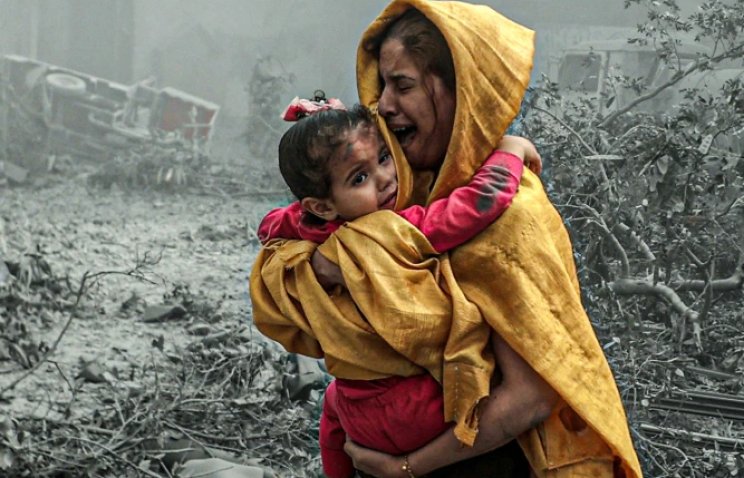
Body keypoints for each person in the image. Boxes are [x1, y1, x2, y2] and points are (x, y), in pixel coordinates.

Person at [251, 1, 643, 477]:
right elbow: (279, 301)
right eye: (384, 85)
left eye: (404, 85)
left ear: (463, 92)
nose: (385, 105)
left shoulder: (510, 216)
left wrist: (407, 467)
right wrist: (324, 264)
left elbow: (531, 397)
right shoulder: (407, 192)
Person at [257, 101, 540, 478]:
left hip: (359, 413)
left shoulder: (311, 234)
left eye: (385, 158)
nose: (385, 179)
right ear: (322, 205)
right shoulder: (392, 231)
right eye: (359, 178)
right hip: (421, 415)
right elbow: (475, 206)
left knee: (332, 409)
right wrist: (512, 151)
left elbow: (271, 226)